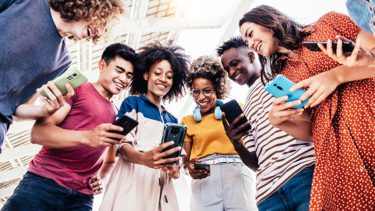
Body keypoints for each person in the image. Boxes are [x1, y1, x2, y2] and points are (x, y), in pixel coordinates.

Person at [239, 5, 375, 209]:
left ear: (268, 21)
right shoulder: (281, 76)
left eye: (250, 34)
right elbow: (311, 131)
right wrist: (279, 122)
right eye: (246, 42)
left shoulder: (328, 23)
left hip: (368, 123)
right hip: (336, 157)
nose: (250, 44)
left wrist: (336, 75)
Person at [1, 43, 138, 210]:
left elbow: (109, 160)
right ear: (102, 65)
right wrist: (88, 137)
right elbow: (39, 133)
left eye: (129, 76)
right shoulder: (76, 89)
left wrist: (101, 177)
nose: (124, 79)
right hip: (44, 183)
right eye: (119, 70)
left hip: (82, 198)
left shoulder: (117, 113)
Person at [0, 0, 124, 151]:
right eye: (103, 20)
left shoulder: (62, 60)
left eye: (105, 28)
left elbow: (17, 110)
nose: (100, 32)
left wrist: (45, 110)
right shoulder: (29, 2)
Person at [217, 36, 315, 210]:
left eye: (234, 63)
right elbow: (255, 163)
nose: (231, 72)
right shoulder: (244, 109)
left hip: (303, 174)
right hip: (267, 194)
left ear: (251, 56)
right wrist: (236, 144)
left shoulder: (283, 77)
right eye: (227, 69)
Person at [99, 42, 189, 211]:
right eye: (157, 73)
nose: (163, 79)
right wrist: (144, 158)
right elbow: (121, 144)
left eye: (169, 76)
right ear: (146, 75)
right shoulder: (132, 103)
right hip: (132, 179)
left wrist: (175, 170)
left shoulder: (173, 119)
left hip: (162, 188)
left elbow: (176, 160)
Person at [180, 55, 257, 211]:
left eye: (207, 91)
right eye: (196, 92)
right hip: (204, 180)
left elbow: (252, 145)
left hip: (237, 175)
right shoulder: (187, 121)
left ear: (218, 88)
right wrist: (189, 167)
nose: (201, 97)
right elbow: (185, 161)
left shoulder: (237, 110)